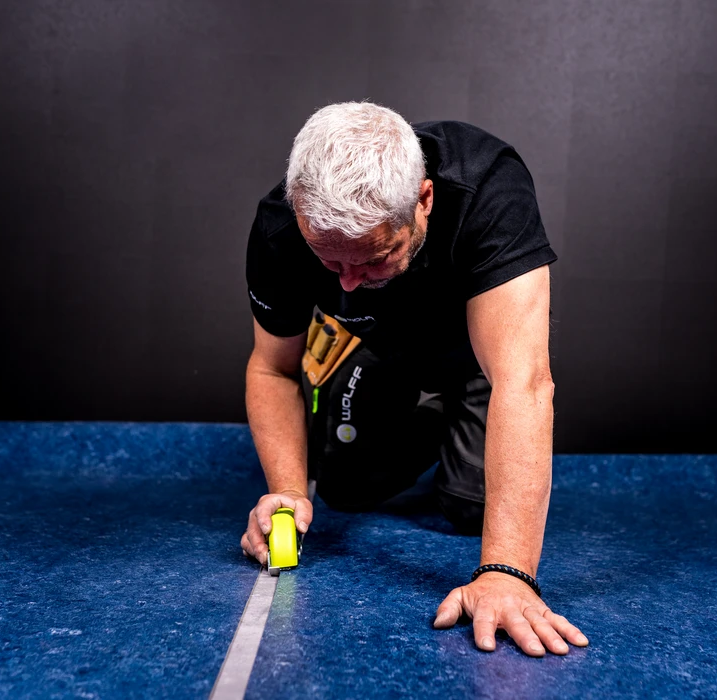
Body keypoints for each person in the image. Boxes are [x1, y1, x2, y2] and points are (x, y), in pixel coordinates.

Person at [240, 101, 588, 657]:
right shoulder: (281, 228)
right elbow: (273, 368)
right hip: (379, 345)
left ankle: (466, 419)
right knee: (346, 490)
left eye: (373, 259)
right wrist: (286, 490)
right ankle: (434, 419)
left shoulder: (487, 185)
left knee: (470, 504)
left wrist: (507, 573)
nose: (347, 284)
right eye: (331, 263)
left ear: (424, 200)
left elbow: (522, 382)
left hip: (483, 360)